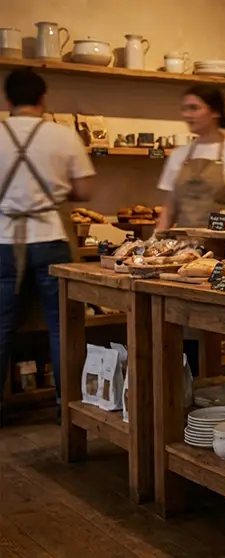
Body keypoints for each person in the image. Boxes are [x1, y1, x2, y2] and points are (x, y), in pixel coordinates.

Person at [0, 69, 95, 423]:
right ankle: (66, 406)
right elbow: (84, 191)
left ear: (7, 100)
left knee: (1, 327)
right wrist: (53, 192)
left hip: (4, 239)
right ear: (43, 99)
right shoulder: (62, 135)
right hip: (51, 237)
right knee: (62, 326)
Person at [156, 85, 225, 381]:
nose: (187, 114)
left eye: (194, 107)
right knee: (189, 322)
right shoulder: (179, 155)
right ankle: (194, 387)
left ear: (215, 111)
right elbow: (169, 206)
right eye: (185, 108)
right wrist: (156, 241)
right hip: (187, 256)